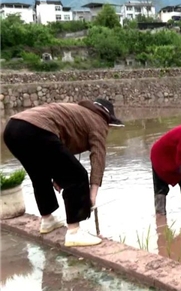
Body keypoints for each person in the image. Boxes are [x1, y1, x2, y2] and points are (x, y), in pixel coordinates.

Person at [2, 98, 124, 247]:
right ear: (108, 119)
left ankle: (47, 220)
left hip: (12, 129)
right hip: (37, 130)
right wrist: (92, 195)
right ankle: (74, 232)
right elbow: (98, 157)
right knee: (78, 176)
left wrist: (58, 176)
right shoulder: (98, 121)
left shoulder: (76, 112)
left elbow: (57, 150)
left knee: (39, 174)